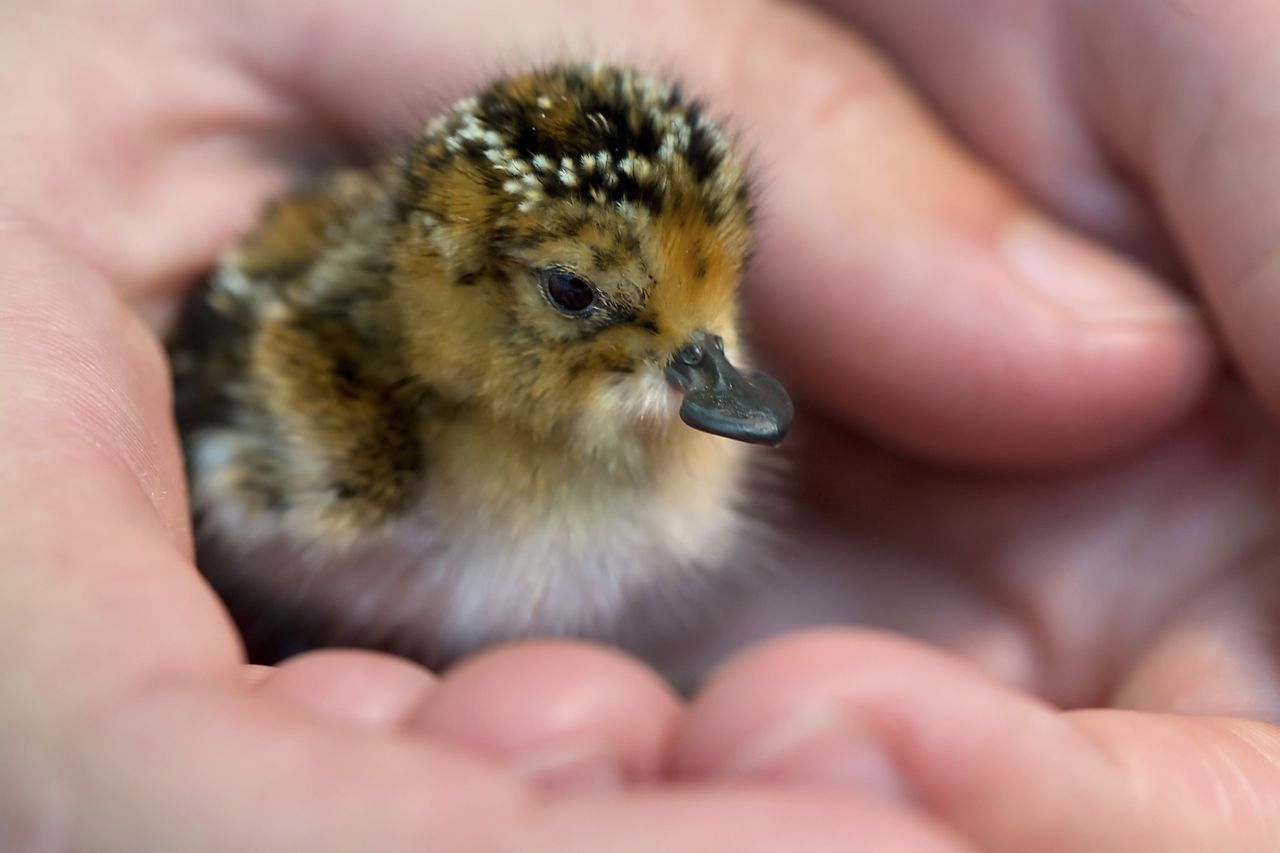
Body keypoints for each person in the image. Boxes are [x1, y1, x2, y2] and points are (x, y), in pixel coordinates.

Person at [2, 0, 1276, 848]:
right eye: (575, 299)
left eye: (717, 297)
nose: (711, 370)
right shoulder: (354, 429)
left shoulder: (657, 376)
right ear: (449, 293)